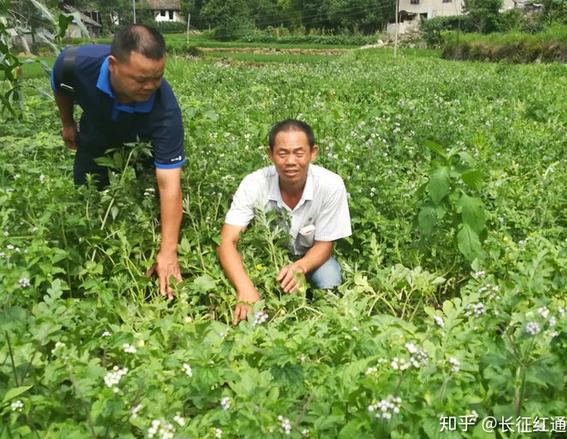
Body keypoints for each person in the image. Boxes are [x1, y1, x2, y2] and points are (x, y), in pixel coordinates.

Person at [50, 25, 184, 299]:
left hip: (142, 143)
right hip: (97, 130)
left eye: (157, 77)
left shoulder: (165, 112)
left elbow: (170, 185)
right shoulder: (74, 64)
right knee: (87, 198)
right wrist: (67, 123)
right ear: (113, 65)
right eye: (140, 79)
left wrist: (168, 251)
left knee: (147, 201)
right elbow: (62, 85)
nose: (150, 86)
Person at [217, 119, 352, 325]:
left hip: (310, 257)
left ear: (313, 153)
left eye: (299, 153)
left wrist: (300, 267)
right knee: (238, 281)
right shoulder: (254, 183)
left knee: (329, 278)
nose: (291, 161)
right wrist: (245, 288)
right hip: (265, 256)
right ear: (270, 154)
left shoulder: (330, 185)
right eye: (282, 153)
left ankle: (325, 323)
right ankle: (260, 321)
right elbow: (227, 241)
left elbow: (325, 245)